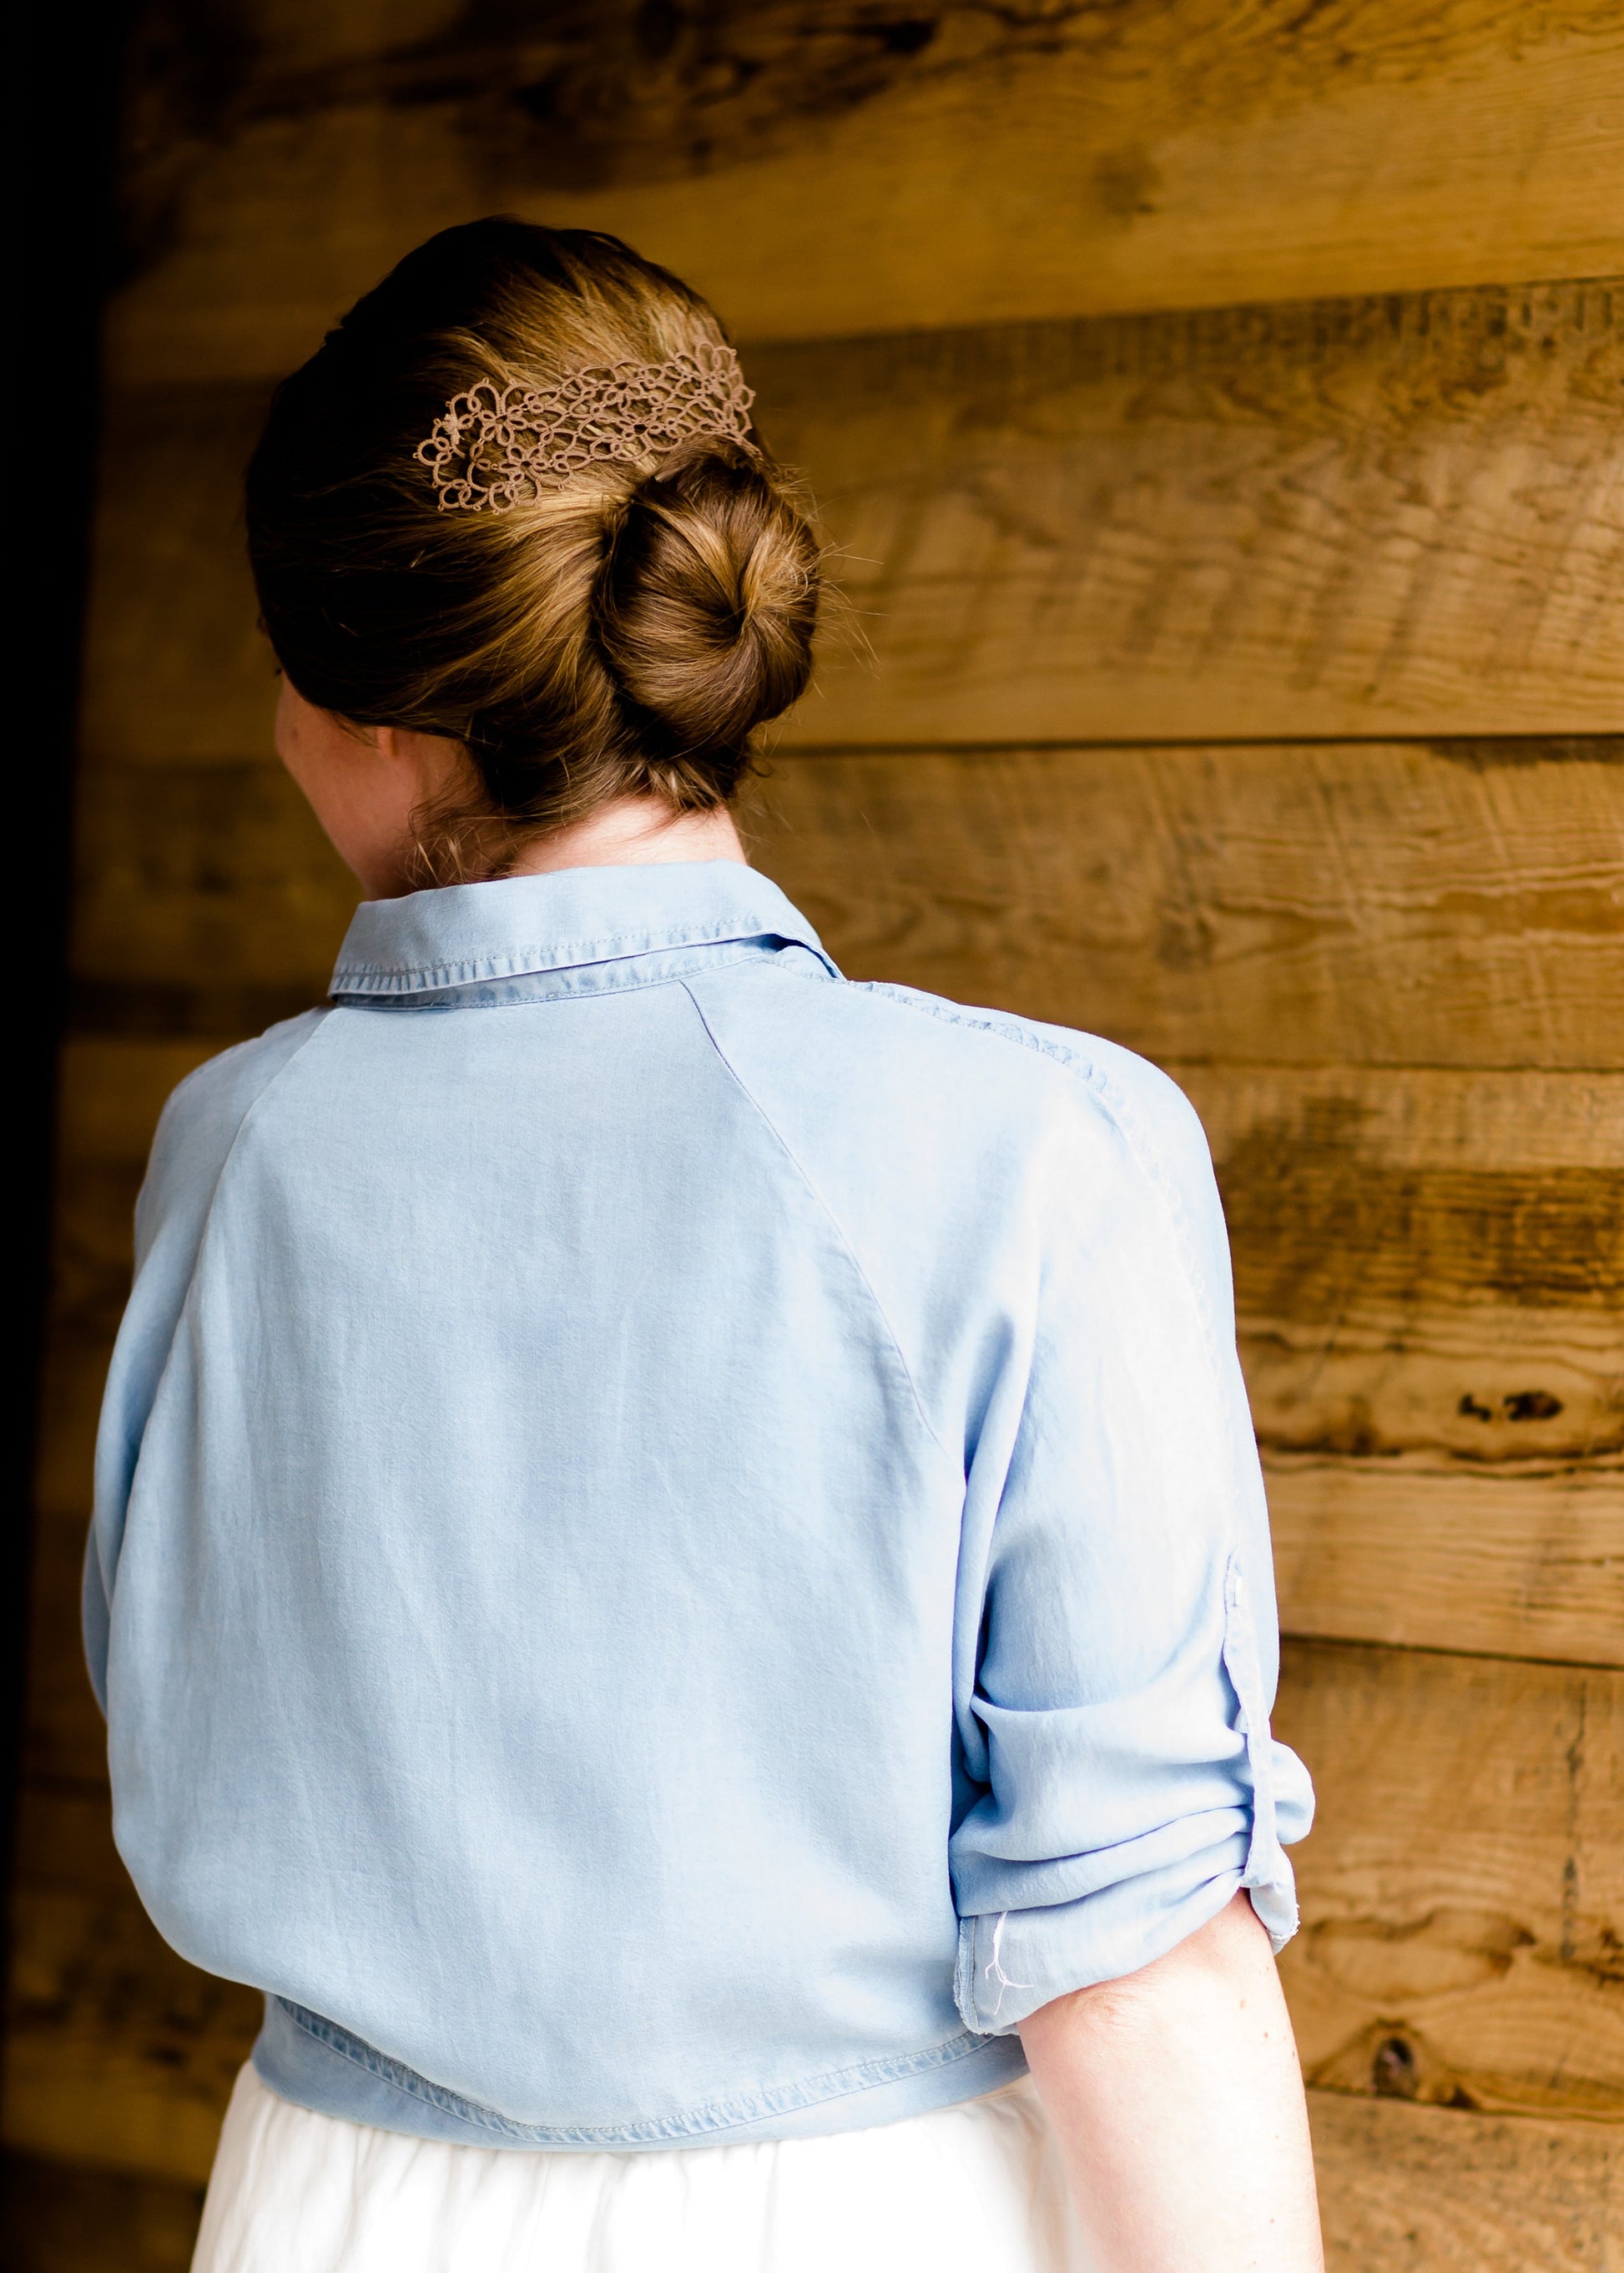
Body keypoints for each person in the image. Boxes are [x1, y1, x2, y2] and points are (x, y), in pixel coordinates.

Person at [87, 218, 1322, 2272]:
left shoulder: (228, 1153)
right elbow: (1141, 1962)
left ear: (374, 716)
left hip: (319, 2201)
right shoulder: (1048, 1148)